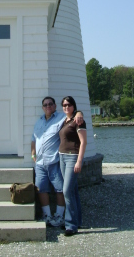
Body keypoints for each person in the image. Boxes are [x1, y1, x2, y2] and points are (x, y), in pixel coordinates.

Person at [31, 96, 84, 227]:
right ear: (42, 107)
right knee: (41, 188)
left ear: (54, 106)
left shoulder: (61, 118)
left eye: (50, 104)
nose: (48, 106)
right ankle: (47, 216)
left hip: (54, 161)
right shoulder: (38, 122)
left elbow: (72, 113)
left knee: (60, 189)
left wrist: (79, 113)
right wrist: (33, 154)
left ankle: (60, 216)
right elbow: (34, 139)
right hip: (40, 163)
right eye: (45, 105)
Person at [59, 95, 87, 236]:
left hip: (72, 157)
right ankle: (77, 221)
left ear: (73, 106)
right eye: (64, 105)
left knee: (67, 191)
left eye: (69, 105)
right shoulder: (65, 120)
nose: (66, 107)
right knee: (73, 191)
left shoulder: (78, 121)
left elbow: (83, 142)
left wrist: (79, 161)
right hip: (62, 157)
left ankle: (70, 225)